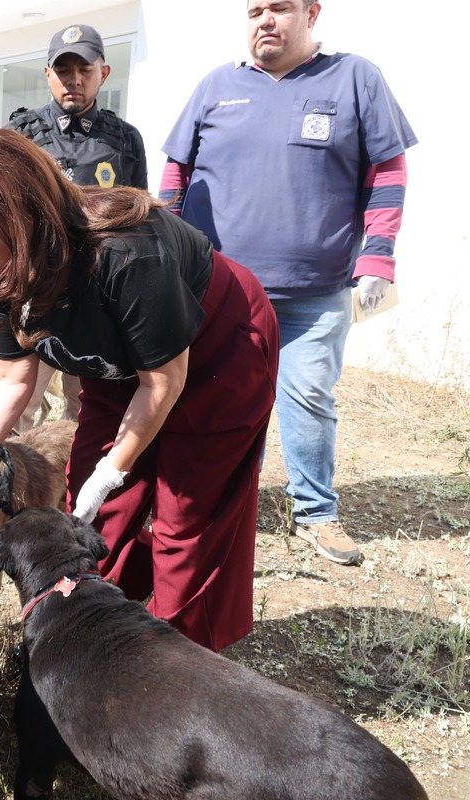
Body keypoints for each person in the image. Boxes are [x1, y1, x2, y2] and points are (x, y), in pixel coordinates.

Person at [0, 128, 279, 653]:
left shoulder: (127, 252)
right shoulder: (2, 267)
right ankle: (94, 628)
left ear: (29, 217)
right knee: (92, 511)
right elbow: (13, 378)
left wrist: (112, 471)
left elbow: (163, 383)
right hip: (118, 363)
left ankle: (178, 661)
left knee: (186, 516)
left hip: (215, 353)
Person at [160, 0, 417, 566]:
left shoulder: (354, 78)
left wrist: (378, 257)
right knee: (215, 402)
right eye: (254, 10)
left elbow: (388, 172)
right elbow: (176, 176)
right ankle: (217, 505)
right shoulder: (216, 86)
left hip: (314, 291)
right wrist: (165, 254)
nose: (265, 20)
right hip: (220, 291)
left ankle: (316, 514)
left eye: (279, 8)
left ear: (312, 12)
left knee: (307, 399)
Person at [5, 23, 149, 427]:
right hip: (37, 296)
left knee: (88, 411)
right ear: (48, 75)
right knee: (19, 405)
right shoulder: (21, 134)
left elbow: (140, 222)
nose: (74, 80)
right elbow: (2, 222)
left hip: (100, 299)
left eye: (84, 70)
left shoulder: (125, 140)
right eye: (63, 71)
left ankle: (74, 488)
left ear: (103, 74)